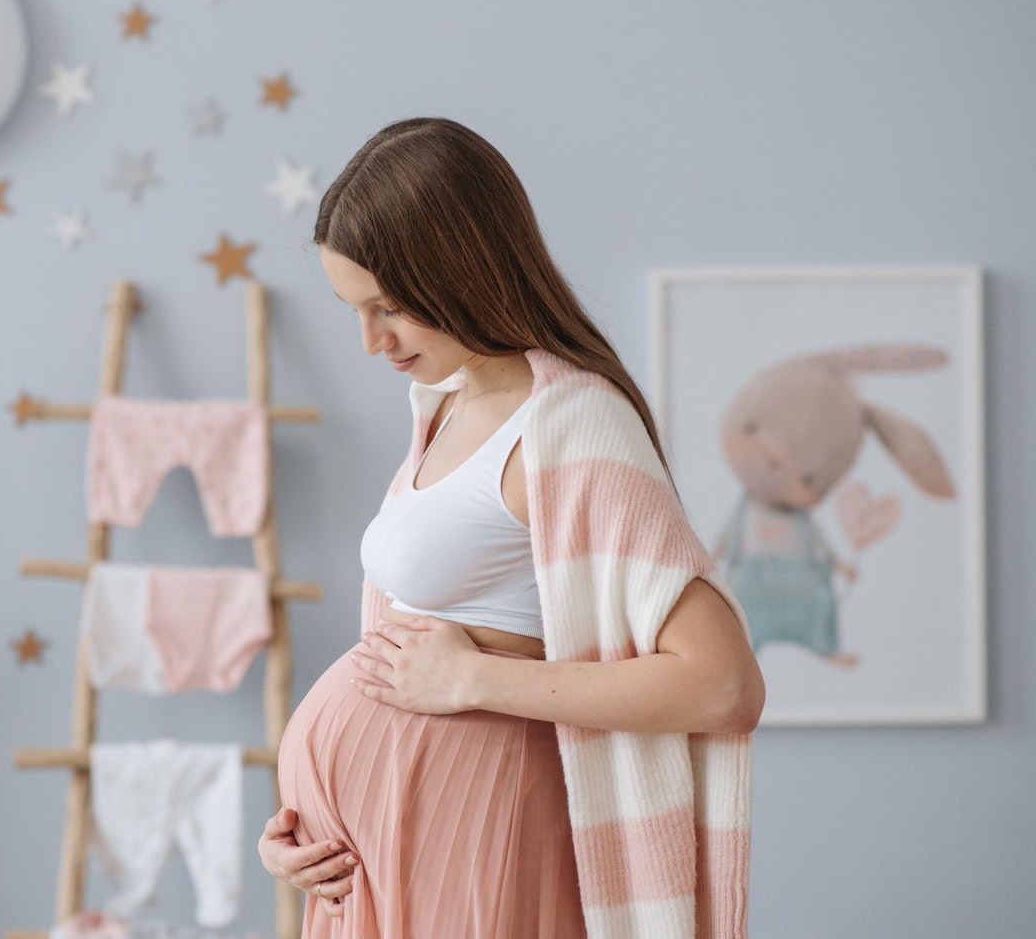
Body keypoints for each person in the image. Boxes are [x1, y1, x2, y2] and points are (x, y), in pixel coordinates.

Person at [259, 117, 765, 939]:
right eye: (354, 309)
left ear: (462, 271)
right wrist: (302, 830)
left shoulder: (572, 426)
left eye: (389, 307)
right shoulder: (448, 404)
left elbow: (725, 684)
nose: (370, 341)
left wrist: (476, 682)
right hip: (383, 860)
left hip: (479, 838)